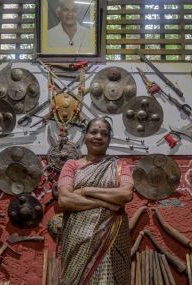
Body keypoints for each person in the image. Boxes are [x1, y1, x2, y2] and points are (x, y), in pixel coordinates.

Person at [57, 117, 134, 285]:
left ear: (109, 139)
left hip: (110, 240)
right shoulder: (72, 166)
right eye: (93, 132)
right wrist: (106, 203)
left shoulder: (120, 165)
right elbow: (64, 200)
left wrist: (86, 190)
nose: (98, 136)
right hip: (77, 242)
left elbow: (126, 194)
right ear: (85, 136)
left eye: (104, 134)